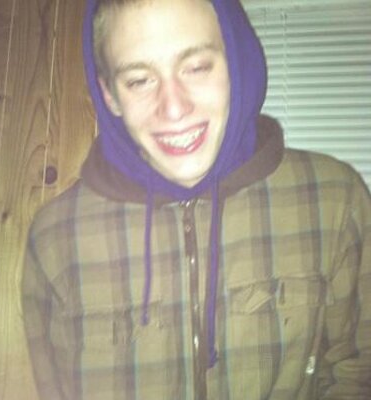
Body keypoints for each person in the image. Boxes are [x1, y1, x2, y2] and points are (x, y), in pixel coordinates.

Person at [21, 0, 371, 399]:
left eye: (197, 67)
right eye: (139, 80)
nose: (173, 108)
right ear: (110, 95)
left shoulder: (334, 200)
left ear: (236, 63)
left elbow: (359, 375)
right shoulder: (55, 237)